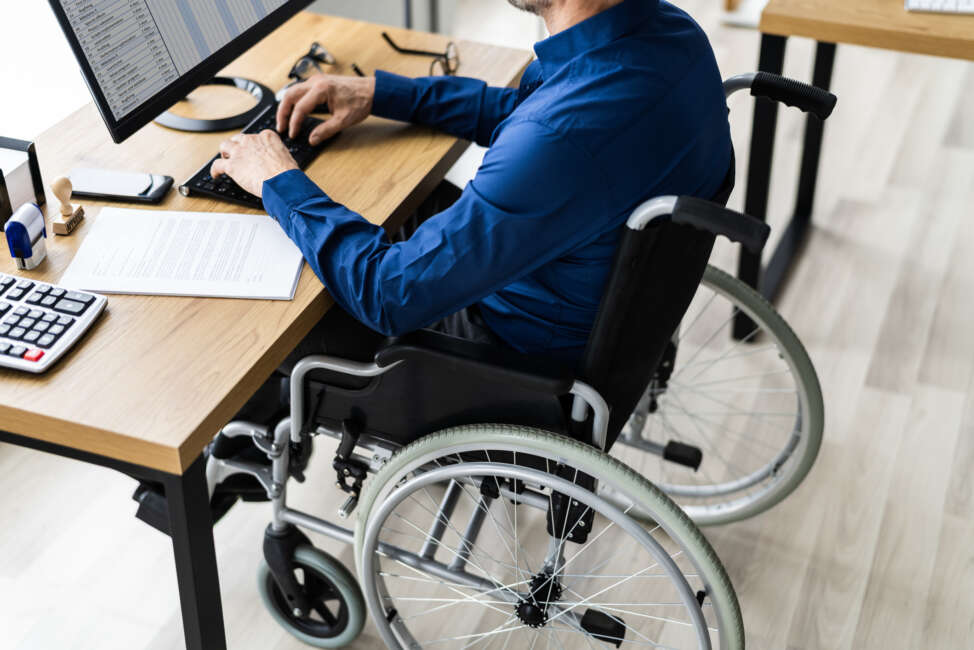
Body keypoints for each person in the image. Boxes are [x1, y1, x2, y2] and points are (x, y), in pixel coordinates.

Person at [212, 0, 732, 368]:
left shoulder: (559, 137)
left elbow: (389, 294)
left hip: (504, 357)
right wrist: (379, 93)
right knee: (394, 206)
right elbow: (535, 119)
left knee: (269, 314)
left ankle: (218, 472)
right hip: (595, 304)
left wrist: (280, 181)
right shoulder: (671, 33)